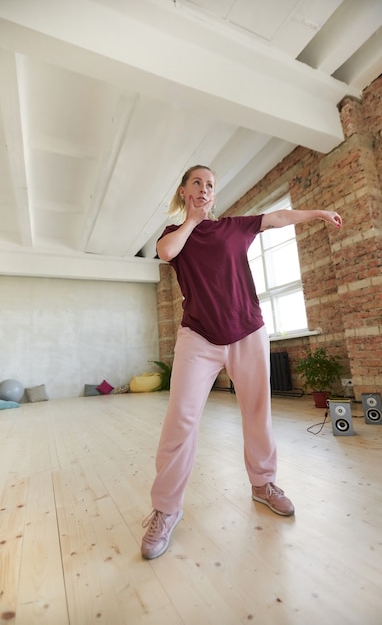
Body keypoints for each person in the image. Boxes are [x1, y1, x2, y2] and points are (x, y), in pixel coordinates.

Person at [141, 165, 342, 560]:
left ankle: (263, 485)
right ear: (184, 191)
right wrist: (192, 221)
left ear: (215, 194)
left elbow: (279, 217)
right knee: (181, 418)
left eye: (210, 185)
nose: (203, 188)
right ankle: (166, 510)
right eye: (196, 183)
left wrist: (316, 213)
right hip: (198, 336)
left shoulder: (235, 227)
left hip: (247, 331)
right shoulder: (173, 235)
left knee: (257, 410)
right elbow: (166, 253)